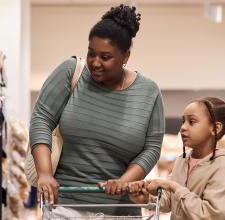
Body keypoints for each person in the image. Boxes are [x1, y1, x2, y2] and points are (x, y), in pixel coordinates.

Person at [29, 4, 165, 217]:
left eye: (105, 57)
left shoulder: (149, 92)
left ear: (126, 56)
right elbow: (41, 119)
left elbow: (152, 147)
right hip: (65, 206)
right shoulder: (71, 72)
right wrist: (44, 174)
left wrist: (124, 181)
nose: (95, 63)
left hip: (120, 211)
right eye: (91, 53)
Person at [128, 97, 225, 220]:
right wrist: (147, 198)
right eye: (183, 121)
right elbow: (172, 202)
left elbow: (211, 214)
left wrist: (172, 186)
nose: (183, 127)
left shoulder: (222, 165)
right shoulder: (182, 160)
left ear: (215, 128)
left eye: (192, 122)